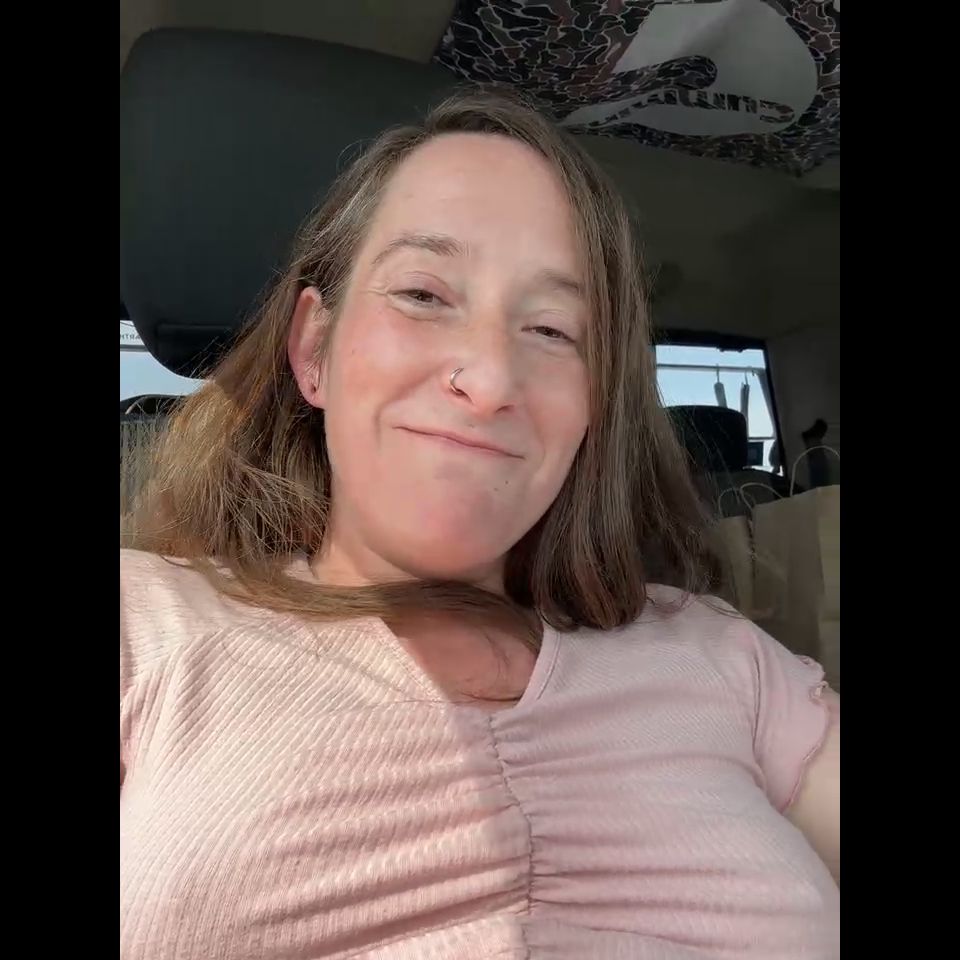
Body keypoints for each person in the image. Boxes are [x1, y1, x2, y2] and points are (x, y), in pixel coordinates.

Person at [120, 90, 839, 959]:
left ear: (593, 407)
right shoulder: (144, 627)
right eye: (423, 294)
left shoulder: (722, 656)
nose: (491, 378)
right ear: (314, 351)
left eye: (553, 329)